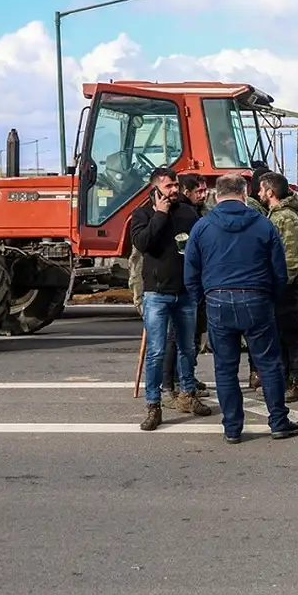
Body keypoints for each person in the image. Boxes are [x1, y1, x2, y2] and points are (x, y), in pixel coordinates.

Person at [183, 172, 298, 444]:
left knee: (225, 368)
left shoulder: (203, 226)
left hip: (217, 299)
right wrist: (271, 298)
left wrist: (201, 299)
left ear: (217, 195)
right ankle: (278, 421)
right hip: (256, 298)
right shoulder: (263, 224)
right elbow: (279, 271)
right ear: (244, 194)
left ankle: (232, 427)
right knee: (269, 364)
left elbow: (191, 270)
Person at [129, 168, 211, 432]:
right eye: (168, 187)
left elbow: (199, 245)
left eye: (175, 185)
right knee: (156, 351)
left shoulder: (188, 212)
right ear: (155, 189)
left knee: (188, 347)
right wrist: (160, 215)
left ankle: (187, 394)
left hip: (186, 291)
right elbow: (144, 243)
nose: (174, 190)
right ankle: (154, 405)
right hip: (157, 293)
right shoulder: (142, 214)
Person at [258, 171, 298, 403]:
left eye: (262, 190)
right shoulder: (276, 215)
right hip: (277, 284)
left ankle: (294, 380)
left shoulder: (285, 218)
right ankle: (282, 379)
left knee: (289, 336)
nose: (259, 194)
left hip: (284, 286)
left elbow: (292, 257)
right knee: (279, 336)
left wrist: (282, 283)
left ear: (270, 192)